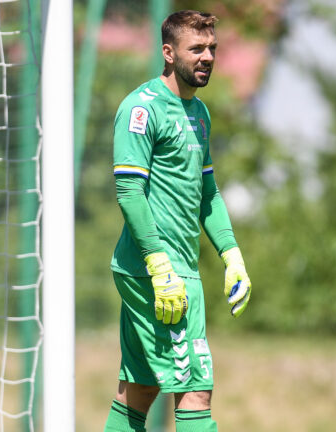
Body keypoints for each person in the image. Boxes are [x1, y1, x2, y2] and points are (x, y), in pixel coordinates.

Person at [102, 10, 251, 432]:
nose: (207, 57)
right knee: (196, 388)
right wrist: (158, 265)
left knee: (140, 389)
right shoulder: (141, 108)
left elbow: (209, 193)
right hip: (157, 270)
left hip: (177, 268)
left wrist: (232, 255)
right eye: (196, 48)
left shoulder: (200, 113)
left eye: (212, 49)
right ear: (168, 53)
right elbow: (129, 193)